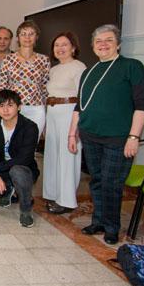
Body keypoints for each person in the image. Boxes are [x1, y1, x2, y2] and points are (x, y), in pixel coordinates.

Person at [69, 24, 144, 245]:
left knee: (112, 183)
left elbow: (142, 106)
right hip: (90, 135)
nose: (103, 44)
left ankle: (112, 227)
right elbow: (80, 105)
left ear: (118, 44)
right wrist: (72, 133)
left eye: (109, 40)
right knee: (96, 180)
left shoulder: (132, 67)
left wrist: (134, 137)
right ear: (93, 46)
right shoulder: (89, 72)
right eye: (98, 41)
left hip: (119, 138)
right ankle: (99, 221)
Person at [43, 32, 86, 214]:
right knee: (53, 155)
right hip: (52, 113)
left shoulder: (79, 67)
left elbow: (82, 98)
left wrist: (75, 127)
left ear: (73, 47)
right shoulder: (53, 69)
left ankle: (67, 200)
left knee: (68, 158)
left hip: (69, 114)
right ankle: (53, 194)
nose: (60, 48)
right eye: (56, 45)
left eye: (64, 45)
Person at [0, 89, 40, 227]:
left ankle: (26, 210)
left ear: (19, 107)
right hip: (2, 168)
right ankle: (8, 188)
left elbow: (25, 158)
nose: (6, 110)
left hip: (23, 169)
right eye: (1, 106)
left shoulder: (30, 127)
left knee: (17, 172)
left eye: (10, 105)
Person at [0, 20, 50, 138]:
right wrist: (4, 108)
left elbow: (45, 88)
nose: (27, 37)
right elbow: (2, 87)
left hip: (37, 109)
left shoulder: (44, 60)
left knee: (30, 147)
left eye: (31, 33)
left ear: (36, 37)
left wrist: (47, 113)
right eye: (23, 34)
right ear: (18, 38)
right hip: (13, 109)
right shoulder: (8, 59)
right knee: (12, 145)